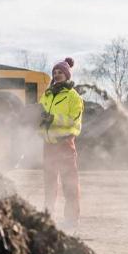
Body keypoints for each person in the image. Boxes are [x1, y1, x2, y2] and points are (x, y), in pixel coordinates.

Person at [38, 57, 84, 229]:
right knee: (49, 184)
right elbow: (40, 118)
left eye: (60, 73)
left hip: (65, 145)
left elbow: (74, 121)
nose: (57, 75)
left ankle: (71, 221)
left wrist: (53, 118)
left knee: (69, 184)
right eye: (55, 72)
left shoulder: (74, 97)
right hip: (48, 145)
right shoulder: (47, 95)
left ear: (67, 75)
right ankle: (48, 217)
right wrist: (37, 121)